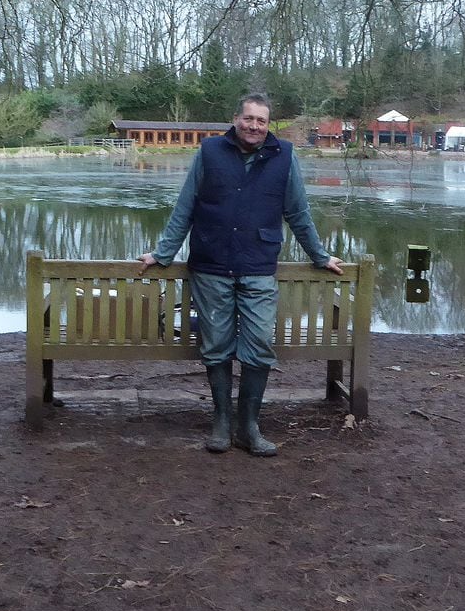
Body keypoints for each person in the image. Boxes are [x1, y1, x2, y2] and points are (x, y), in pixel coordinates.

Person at [139, 93, 343, 457]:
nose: (254, 126)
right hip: (211, 264)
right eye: (248, 118)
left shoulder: (285, 158)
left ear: (269, 125)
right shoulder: (210, 152)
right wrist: (164, 253)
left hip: (258, 266)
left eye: (261, 121)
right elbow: (185, 207)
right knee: (215, 344)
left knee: (260, 344)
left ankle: (249, 426)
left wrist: (319, 255)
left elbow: (298, 212)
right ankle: (221, 421)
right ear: (236, 119)